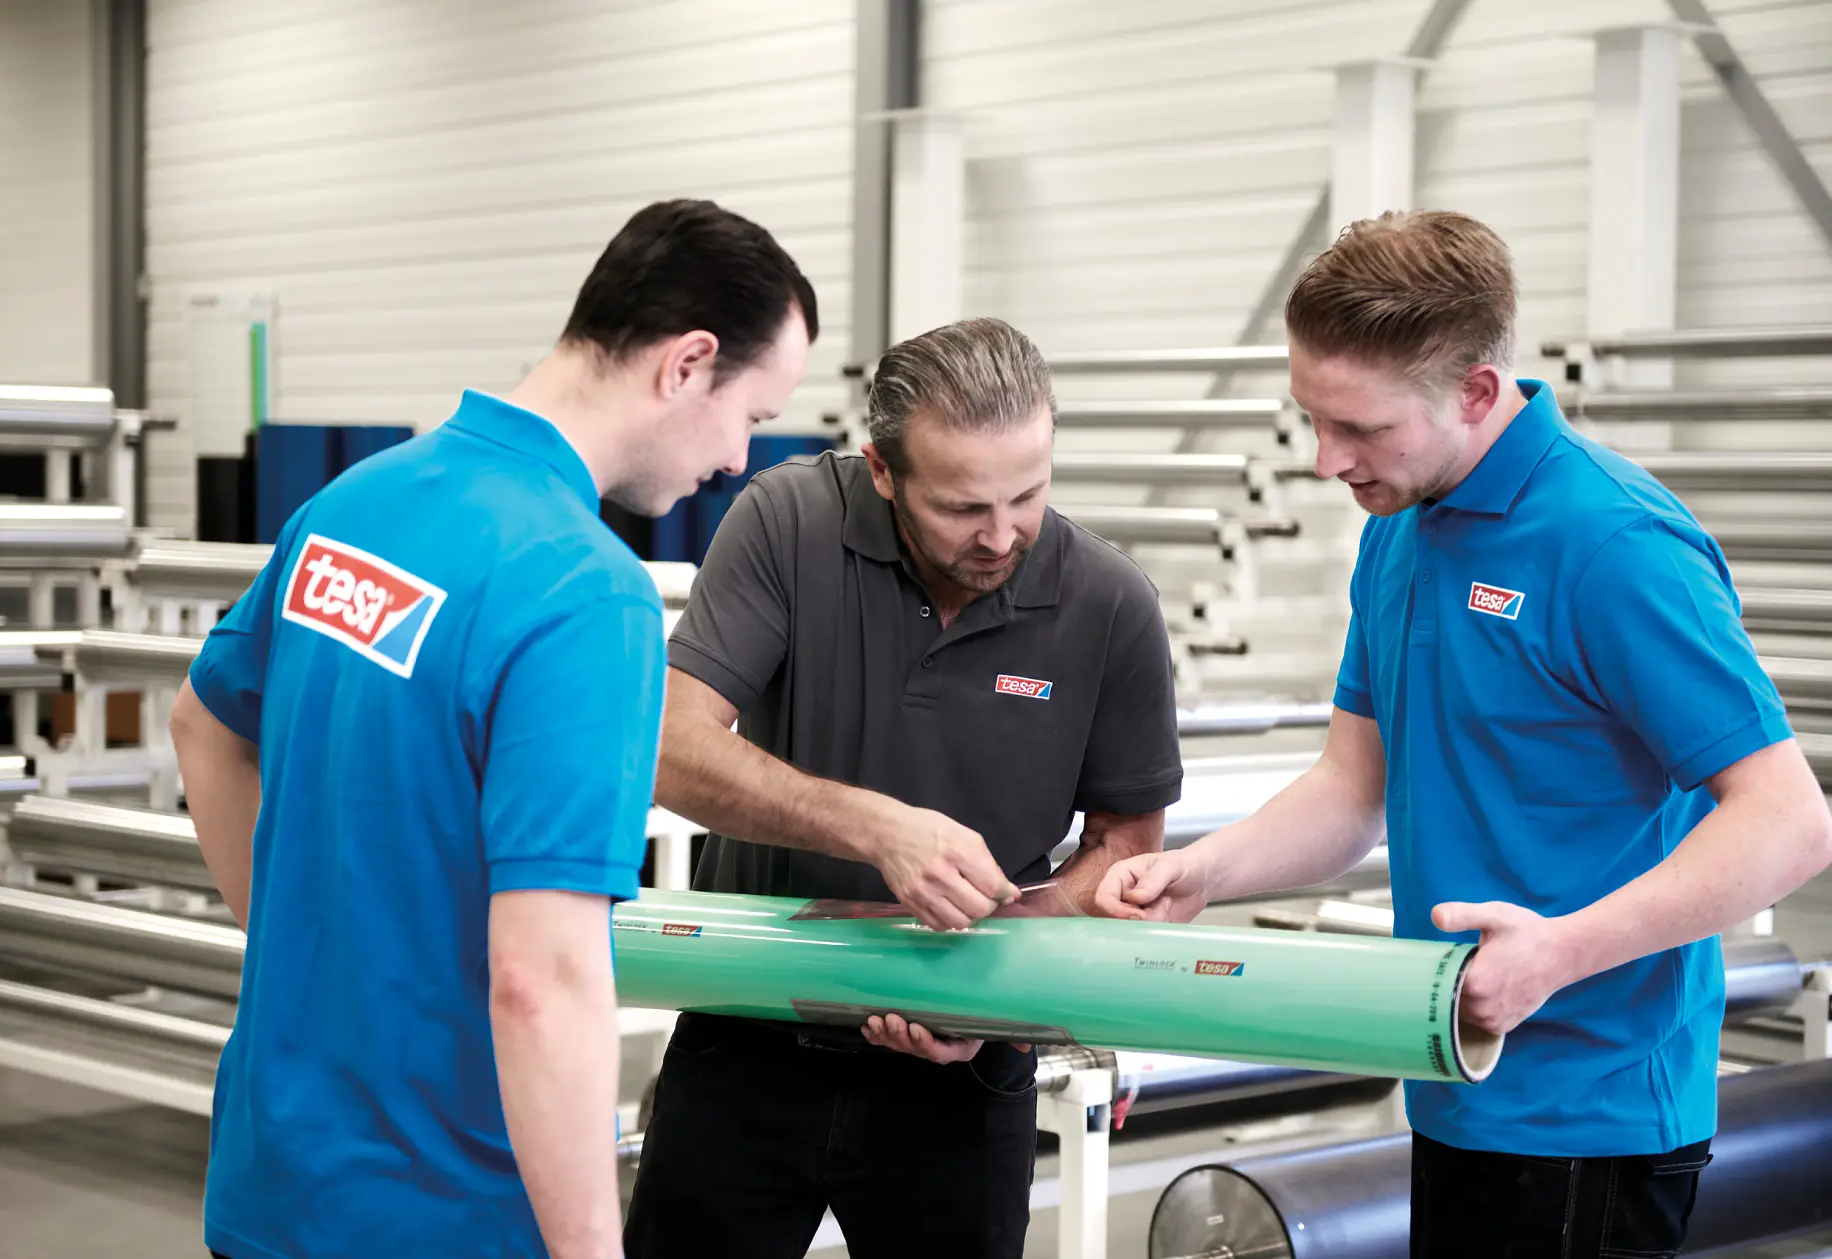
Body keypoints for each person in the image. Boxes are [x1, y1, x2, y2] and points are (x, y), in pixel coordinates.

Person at [1098, 210, 1832, 1258]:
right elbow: (1350, 786)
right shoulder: (1400, 526)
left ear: (1476, 393)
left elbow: (1788, 823)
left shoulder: (1613, 543)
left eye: (1359, 428)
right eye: (1312, 418)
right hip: (1450, 1077)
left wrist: (1557, 952)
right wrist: (1205, 870)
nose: (1323, 461)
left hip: (1595, 1116)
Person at [168, 198, 816, 1259]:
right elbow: (541, 977)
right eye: (751, 413)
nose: (739, 460)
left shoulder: (352, 506)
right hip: (443, 1208)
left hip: (270, 1181)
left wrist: (318, 963)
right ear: (687, 362)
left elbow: (203, 723)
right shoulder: (582, 591)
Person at [623, 316, 1184, 1259]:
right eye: (963, 506)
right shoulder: (788, 522)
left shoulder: (1110, 605)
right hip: (751, 1032)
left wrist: (988, 982)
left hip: (968, 1066)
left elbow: (1127, 846)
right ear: (883, 469)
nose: (1002, 535)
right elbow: (667, 745)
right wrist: (875, 828)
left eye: (1029, 495)